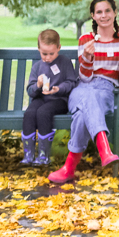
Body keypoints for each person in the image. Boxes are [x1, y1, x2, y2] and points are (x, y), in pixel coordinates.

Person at [49, 0, 119, 184]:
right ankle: (104, 149)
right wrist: (88, 58)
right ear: (92, 16)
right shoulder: (85, 40)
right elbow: (84, 77)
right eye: (99, 12)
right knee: (87, 94)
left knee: (82, 114)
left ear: (115, 13)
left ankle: (68, 168)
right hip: (82, 87)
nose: (104, 15)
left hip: (106, 89)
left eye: (108, 11)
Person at [21, 29, 78, 167]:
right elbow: (31, 91)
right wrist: (38, 85)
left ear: (59, 48)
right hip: (41, 99)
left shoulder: (64, 62)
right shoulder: (37, 67)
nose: (47, 57)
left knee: (43, 112)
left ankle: (43, 155)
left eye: (51, 53)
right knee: (29, 113)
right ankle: (28, 154)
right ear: (39, 49)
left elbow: (71, 82)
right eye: (44, 53)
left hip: (60, 100)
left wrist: (58, 89)